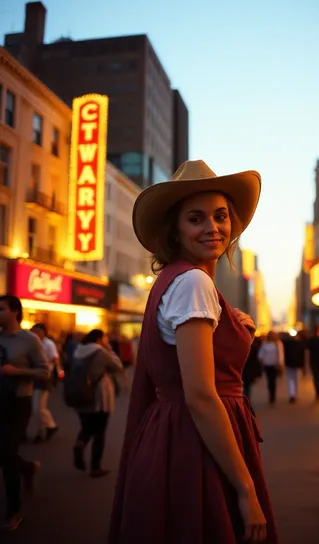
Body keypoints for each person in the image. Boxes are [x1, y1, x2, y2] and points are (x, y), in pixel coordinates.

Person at [108, 160, 278, 544]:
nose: (212, 228)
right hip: (195, 441)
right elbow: (201, 396)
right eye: (196, 219)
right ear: (176, 229)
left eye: (220, 216)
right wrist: (246, 489)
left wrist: (232, 325)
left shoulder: (178, 280)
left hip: (177, 436)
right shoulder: (194, 282)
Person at [0, 295, 49, 532]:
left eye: (1, 309)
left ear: (15, 312)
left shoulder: (28, 340)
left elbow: (44, 372)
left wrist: (16, 371)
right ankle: (28, 468)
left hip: (18, 401)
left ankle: (13, 512)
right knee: (4, 454)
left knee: (7, 454)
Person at [72, 329, 123, 478]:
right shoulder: (101, 352)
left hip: (81, 395)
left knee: (87, 426)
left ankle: (79, 445)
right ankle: (95, 467)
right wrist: (110, 350)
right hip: (100, 397)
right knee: (100, 431)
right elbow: (118, 366)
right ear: (100, 339)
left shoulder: (78, 351)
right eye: (105, 339)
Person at [31, 323, 63, 443]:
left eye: (38, 331)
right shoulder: (34, 342)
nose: (36, 333)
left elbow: (54, 358)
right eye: (34, 331)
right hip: (34, 376)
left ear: (44, 332)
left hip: (44, 377)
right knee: (38, 407)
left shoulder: (48, 343)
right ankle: (46, 428)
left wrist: (41, 363)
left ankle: (48, 427)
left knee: (38, 407)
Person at [258, 331, 284, 405]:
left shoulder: (278, 344)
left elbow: (280, 355)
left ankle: (272, 396)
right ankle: (271, 394)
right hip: (267, 365)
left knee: (272, 380)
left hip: (274, 365)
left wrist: (280, 364)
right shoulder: (264, 343)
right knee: (270, 380)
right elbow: (260, 354)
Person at [283, 333, 305, 403]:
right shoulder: (300, 344)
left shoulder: (286, 344)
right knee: (295, 379)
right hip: (297, 364)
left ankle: (292, 394)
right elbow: (302, 355)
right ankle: (294, 394)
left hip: (289, 364)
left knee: (290, 379)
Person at [242, 336, 263, 403]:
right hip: (249, 369)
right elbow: (256, 361)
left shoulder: (242, 346)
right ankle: (247, 399)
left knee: (245, 385)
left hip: (244, 369)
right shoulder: (254, 348)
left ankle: (245, 399)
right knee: (247, 386)